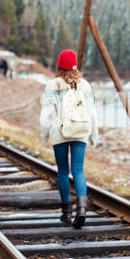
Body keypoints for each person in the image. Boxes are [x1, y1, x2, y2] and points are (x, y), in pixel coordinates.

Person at [40, 50, 98, 229]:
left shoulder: (53, 85)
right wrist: (94, 136)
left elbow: (47, 114)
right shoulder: (85, 85)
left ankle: (66, 213)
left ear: (59, 66)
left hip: (60, 133)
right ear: (75, 66)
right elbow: (92, 113)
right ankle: (82, 210)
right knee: (78, 170)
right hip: (80, 131)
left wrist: (44, 136)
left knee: (63, 171)